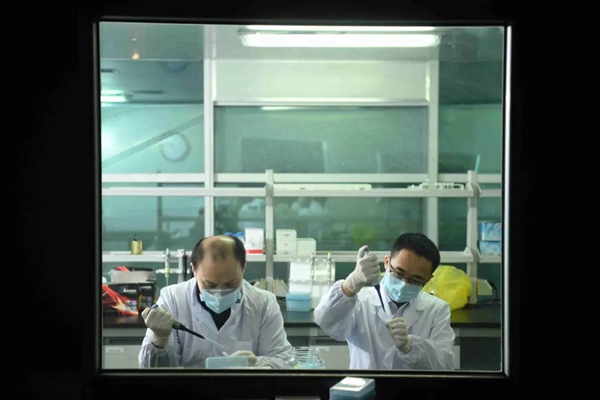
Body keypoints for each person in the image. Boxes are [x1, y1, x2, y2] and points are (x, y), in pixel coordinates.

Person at [138, 234, 293, 368]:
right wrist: (159, 339)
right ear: (194, 269)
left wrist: (258, 365)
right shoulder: (173, 299)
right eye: (210, 284)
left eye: (230, 284)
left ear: (244, 267)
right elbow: (150, 371)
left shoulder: (264, 303)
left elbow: (282, 360)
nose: (219, 293)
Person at [314, 232, 455, 370]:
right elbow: (325, 321)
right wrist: (351, 284)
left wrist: (410, 348)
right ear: (387, 263)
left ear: (428, 280)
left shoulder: (436, 309)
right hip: (364, 384)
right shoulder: (361, 301)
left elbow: (445, 364)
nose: (404, 283)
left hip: (412, 385)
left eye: (415, 279)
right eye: (399, 273)